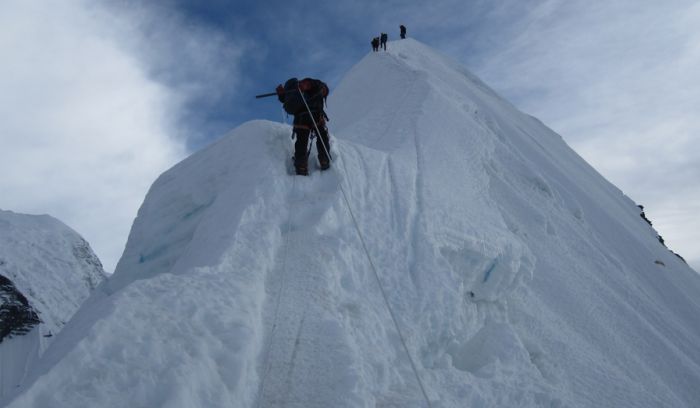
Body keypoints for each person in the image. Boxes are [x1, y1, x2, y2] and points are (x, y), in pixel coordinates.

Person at [276, 78, 331, 175]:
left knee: (301, 141)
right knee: (322, 135)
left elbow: (286, 101)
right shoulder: (316, 84)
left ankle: (301, 166)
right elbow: (320, 88)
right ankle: (324, 160)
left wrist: (282, 96)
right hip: (315, 115)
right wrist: (308, 84)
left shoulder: (295, 90)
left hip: (300, 118)